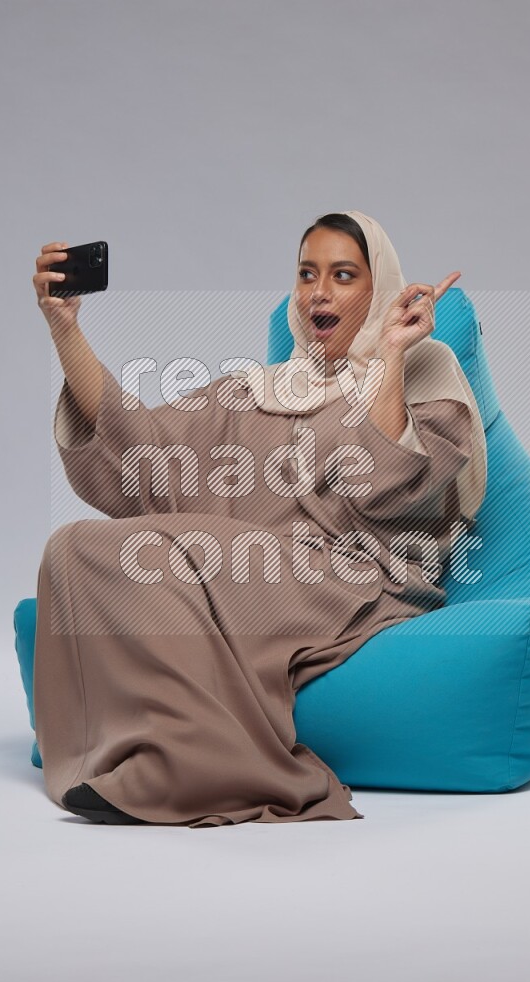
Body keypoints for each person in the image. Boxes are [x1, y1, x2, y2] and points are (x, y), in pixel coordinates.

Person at [31, 210, 487, 827]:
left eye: (344, 275)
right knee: (75, 548)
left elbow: (387, 486)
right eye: (307, 274)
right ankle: (148, 751)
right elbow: (138, 443)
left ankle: (206, 770)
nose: (318, 292)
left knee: (182, 551)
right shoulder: (259, 389)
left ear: (378, 288)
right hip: (253, 569)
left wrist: (393, 356)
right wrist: (65, 331)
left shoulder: (423, 370)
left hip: (357, 577)